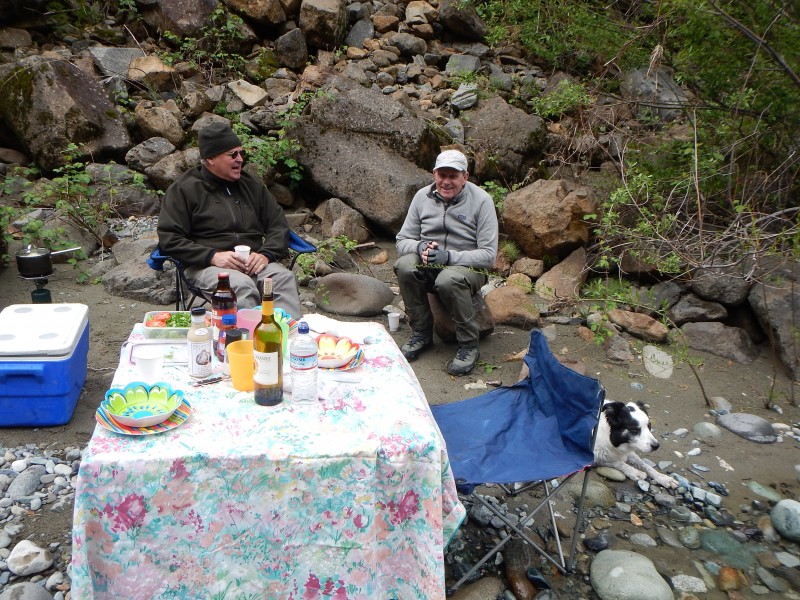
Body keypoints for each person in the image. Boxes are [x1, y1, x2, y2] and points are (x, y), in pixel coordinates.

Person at [157, 121, 303, 318]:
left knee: (283, 278)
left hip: (253, 261)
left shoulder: (252, 186)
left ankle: (287, 339)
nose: (240, 159)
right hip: (206, 265)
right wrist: (212, 256)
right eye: (232, 154)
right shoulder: (184, 190)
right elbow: (169, 239)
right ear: (210, 158)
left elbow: (278, 225)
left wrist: (266, 254)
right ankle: (246, 343)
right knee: (240, 286)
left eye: (241, 153)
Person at [394, 149, 498, 375]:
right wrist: (419, 247)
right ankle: (421, 334)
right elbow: (402, 241)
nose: (446, 182)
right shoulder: (422, 197)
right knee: (404, 266)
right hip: (429, 263)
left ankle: (469, 345)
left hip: (469, 268)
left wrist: (449, 257)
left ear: (465, 177)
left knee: (448, 280)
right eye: (442, 175)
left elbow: (488, 256)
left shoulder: (482, 201)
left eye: (453, 176)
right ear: (434, 174)